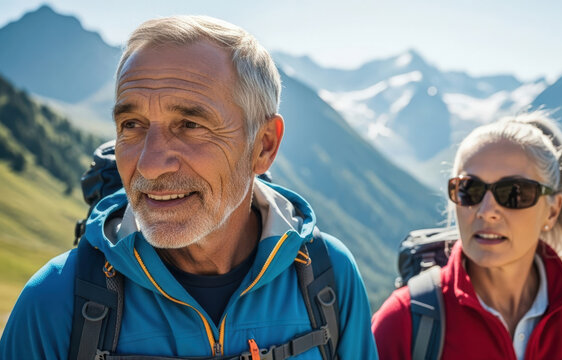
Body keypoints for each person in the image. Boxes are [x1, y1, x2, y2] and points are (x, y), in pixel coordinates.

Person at [0, 16, 377, 359]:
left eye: (191, 126)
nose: (148, 164)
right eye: (131, 124)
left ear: (263, 146)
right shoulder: (54, 301)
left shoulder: (329, 277)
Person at [371, 111, 562, 359]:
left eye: (514, 193)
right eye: (469, 189)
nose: (486, 212)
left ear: (552, 211)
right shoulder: (401, 322)